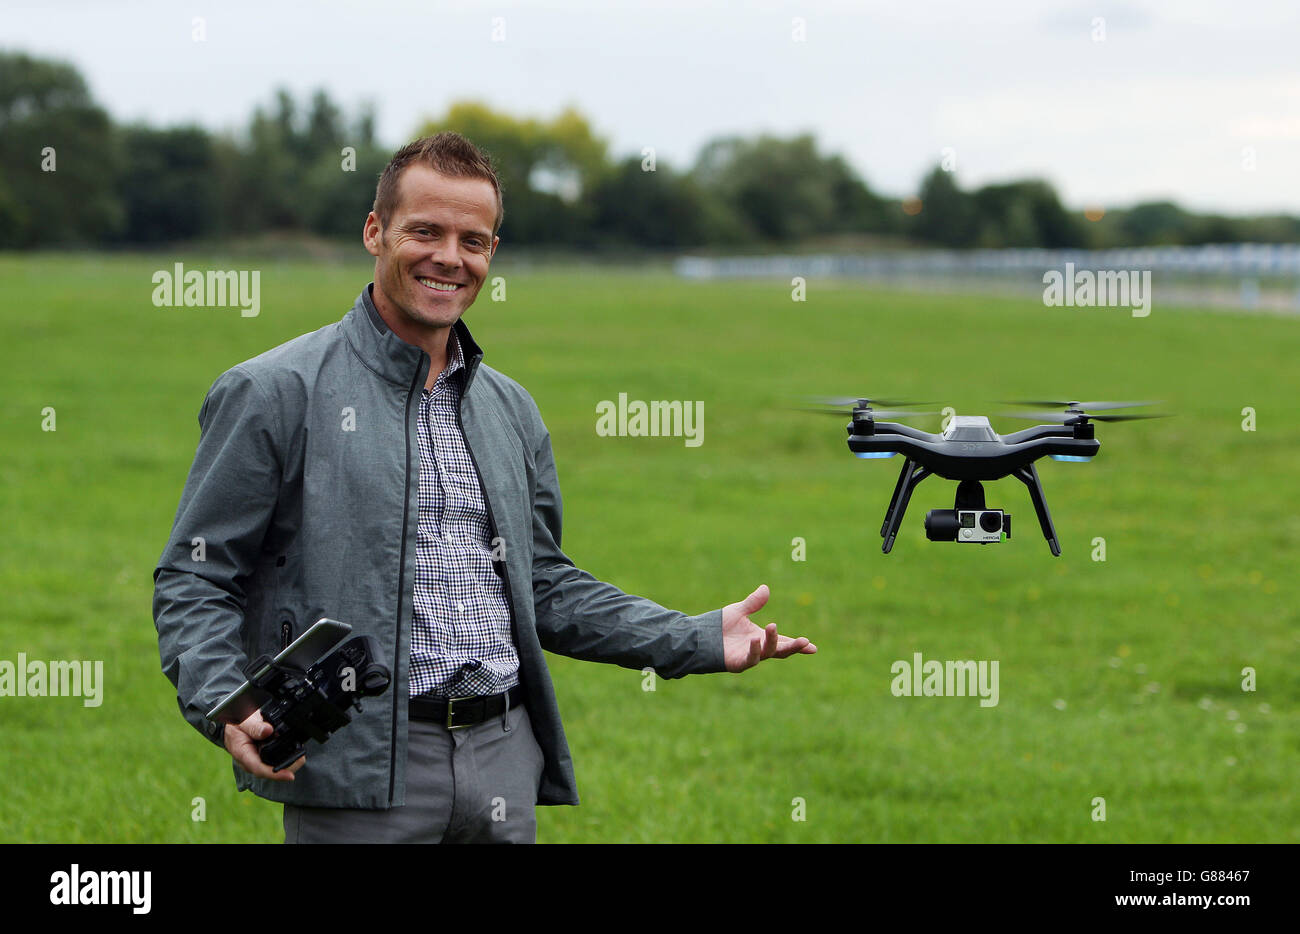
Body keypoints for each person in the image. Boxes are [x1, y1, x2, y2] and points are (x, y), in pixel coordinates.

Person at [153, 132, 816, 844]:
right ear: (375, 232)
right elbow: (194, 577)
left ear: (491, 254)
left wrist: (689, 637)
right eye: (425, 231)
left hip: (504, 760)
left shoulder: (510, 409)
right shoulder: (274, 391)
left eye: (473, 240)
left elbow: (547, 588)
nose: (449, 258)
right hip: (360, 766)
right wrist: (226, 701)